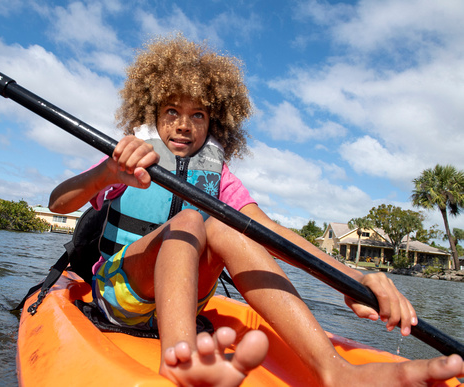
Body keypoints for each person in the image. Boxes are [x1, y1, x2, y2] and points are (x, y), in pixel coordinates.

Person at [49, 35, 464, 386]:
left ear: (215, 123)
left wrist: (350, 278)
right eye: (171, 111)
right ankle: (180, 359)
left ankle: (333, 371)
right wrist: (107, 172)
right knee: (193, 218)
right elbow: (59, 202)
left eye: (199, 115)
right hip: (121, 293)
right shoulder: (128, 157)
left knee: (233, 229)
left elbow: (270, 231)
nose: (183, 125)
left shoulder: (220, 175)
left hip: (188, 302)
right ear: (152, 112)